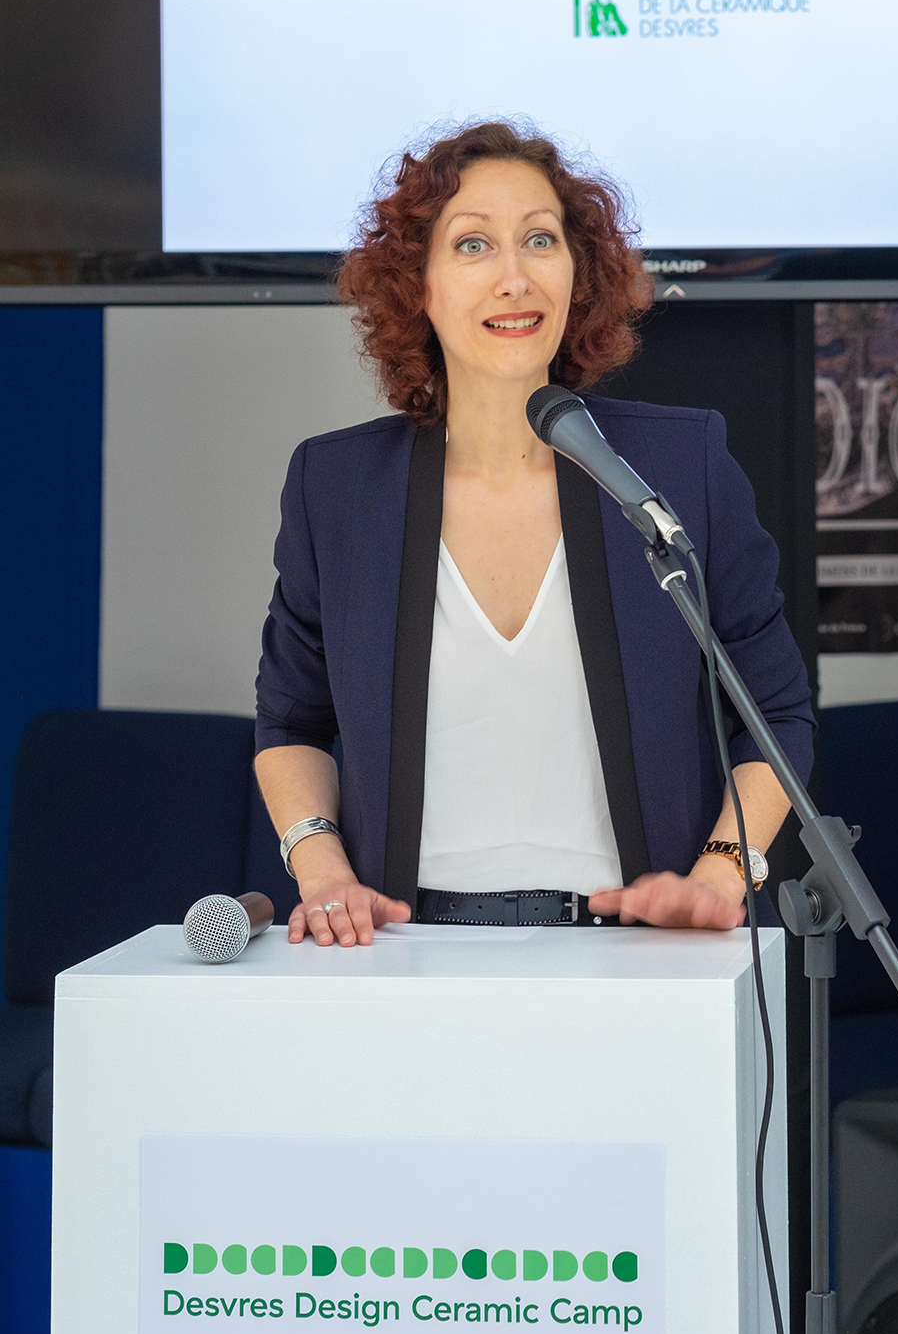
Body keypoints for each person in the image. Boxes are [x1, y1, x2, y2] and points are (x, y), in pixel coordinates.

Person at [254, 121, 815, 945]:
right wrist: (324, 871)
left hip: (645, 955)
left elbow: (775, 711)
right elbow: (292, 722)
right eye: (473, 245)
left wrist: (722, 873)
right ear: (420, 285)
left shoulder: (679, 462)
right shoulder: (336, 488)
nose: (514, 278)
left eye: (540, 241)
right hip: (405, 956)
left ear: (578, 276)